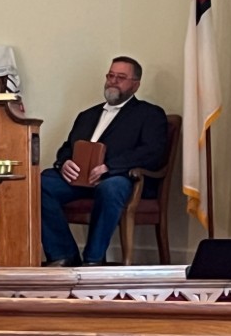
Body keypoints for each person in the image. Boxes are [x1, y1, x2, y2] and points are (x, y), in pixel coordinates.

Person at [40, 56, 168, 267]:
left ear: (135, 85)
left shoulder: (149, 114)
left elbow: (152, 152)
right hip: (80, 179)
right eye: (110, 76)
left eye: (121, 77)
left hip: (120, 178)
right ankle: (63, 255)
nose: (113, 81)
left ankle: (93, 260)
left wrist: (109, 167)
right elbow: (67, 147)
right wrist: (65, 163)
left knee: (111, 187)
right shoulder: (87, 115)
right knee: (42, 182)